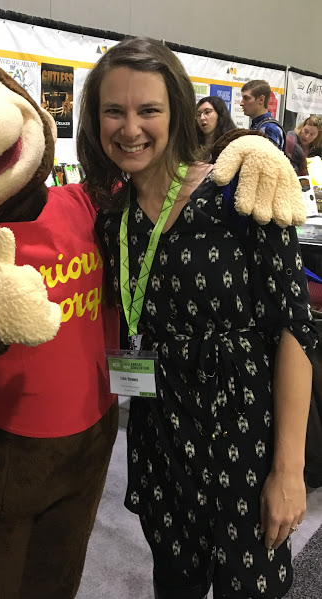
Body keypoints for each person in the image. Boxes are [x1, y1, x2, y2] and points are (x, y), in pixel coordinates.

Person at [77, 36, 317, 599]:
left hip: (246, 435)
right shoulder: (112, 219)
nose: (130, 128)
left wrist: (289, 470)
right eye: (113, 111)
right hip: (162, 434)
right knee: (175, 583)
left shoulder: (240, 195)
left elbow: (295, 329)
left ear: (178, 113)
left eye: (148, 110)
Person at [240, 80, 285, 151]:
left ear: (261, 99)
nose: (241, 103)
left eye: (246, 98)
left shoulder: (269, 129)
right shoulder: (258, 125)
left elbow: (267, 157)